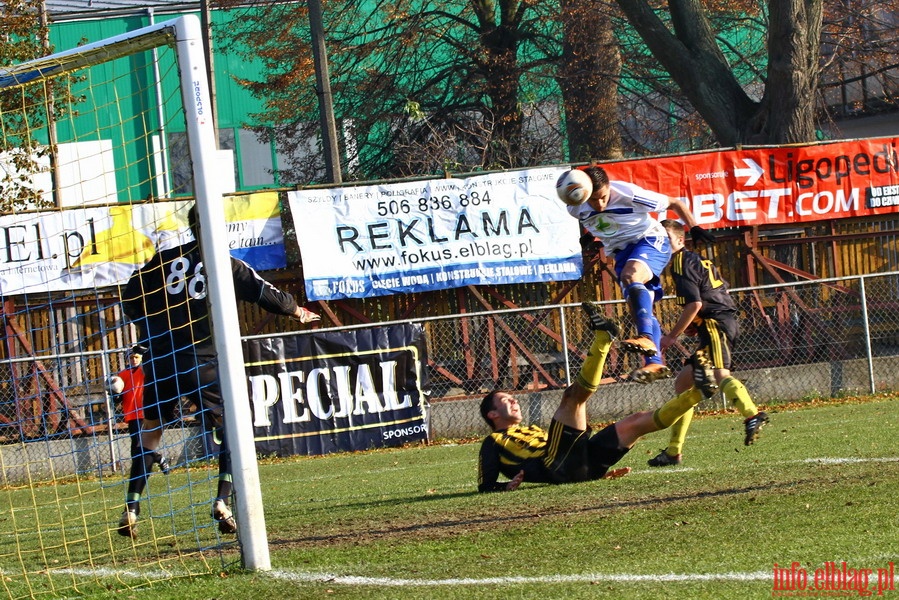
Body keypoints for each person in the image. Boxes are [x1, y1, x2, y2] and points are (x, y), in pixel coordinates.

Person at [116, 205, 321, 539]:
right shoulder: (227, 265)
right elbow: (265, 293)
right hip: (203, 360)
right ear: (217, 228)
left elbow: (129, 296)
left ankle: (132, 506)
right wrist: (298, 311)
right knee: (234, 431)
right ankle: (222, 502)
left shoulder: (164, 260)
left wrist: (151, 329)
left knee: (150, 431)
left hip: (161, 359)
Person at [477, 302, 719, 492]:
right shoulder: (493, 442)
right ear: (492, 414)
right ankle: (603, 339)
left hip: (581, 465)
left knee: (635, 423)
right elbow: (485, 484)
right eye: (505, 400)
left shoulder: (532, 430)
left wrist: (600, 474)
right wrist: (505, 487)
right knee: (573, 397)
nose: (514, 400)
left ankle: (697, 392)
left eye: (512, 397)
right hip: (556, 466)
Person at [569, 165, 716, 385]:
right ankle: (654, 362)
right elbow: (602, 220)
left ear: (610, 188)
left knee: (631, 276)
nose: (599, 204)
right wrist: (592, 235)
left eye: (604, 197)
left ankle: (647, 338)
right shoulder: (575, 206)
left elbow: (675, 202)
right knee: (640, 310)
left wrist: (694, 227)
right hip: (621, 253)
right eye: (594, 200)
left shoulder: (629, 194)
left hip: (650, 241)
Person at [646, 220, 769, 467]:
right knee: (683, 384)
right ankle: (673, 452)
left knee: (720, 374)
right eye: (658, 238)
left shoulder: (681, 263)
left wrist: (672, 336)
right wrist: (696, 323)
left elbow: (695, 304)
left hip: (715, 323)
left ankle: (753, 415)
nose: (661, 243)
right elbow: (711, 295)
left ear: (680, 240)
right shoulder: (693, 259)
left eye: (666, 238)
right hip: (716, 321)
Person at [111, 344, 169, 474]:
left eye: (136, 357)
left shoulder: (144, 371)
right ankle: (155, 461)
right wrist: (115, 395)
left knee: (139, 444)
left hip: (144, 412)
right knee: (136, 446)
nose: (134, 360)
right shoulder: (122, 375)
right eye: (131, 357)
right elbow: (119, 397)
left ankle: (152, 463)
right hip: (131, 415)